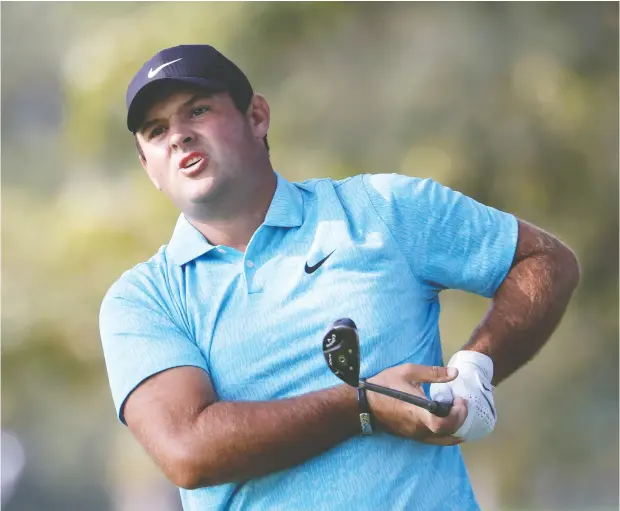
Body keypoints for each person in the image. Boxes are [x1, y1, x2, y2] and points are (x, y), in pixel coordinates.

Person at [99, 44, 580, 511]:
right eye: (156, 130)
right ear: (149, 167)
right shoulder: (144, 300)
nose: (178, 136)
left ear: (257, 117)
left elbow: (544, 261)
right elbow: (187, 450)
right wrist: (363, 406)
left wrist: (477, 369)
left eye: (198, 111)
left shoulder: (382, 211)